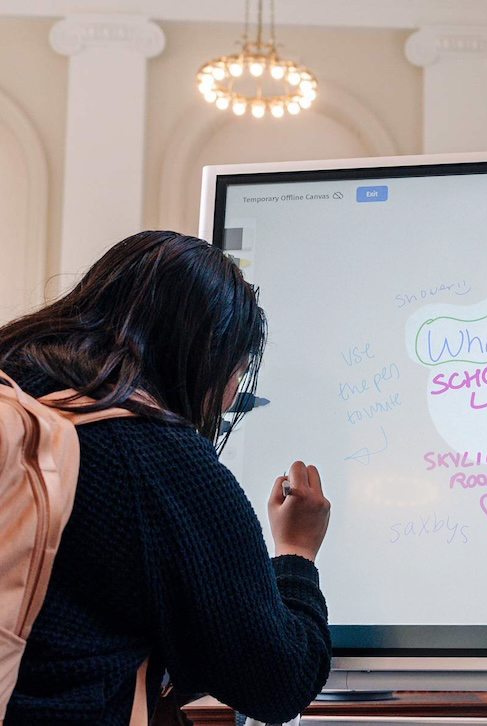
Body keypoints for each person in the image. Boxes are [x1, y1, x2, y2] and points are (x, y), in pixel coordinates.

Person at [0, 230, 332, 725]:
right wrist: (296, 551)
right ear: (205, 359)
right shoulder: (159, 462)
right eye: (235, 374)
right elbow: (278, 682)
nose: (225, 401)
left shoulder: (17, 381)